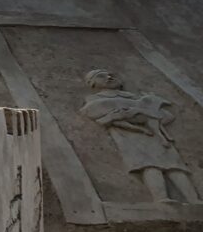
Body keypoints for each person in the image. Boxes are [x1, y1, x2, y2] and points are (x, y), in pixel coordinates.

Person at [80, 69, 199, 203]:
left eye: (111, 75)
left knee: (175, 165)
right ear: (92, 83)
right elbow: (98, 115)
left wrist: (149, 116)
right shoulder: (96, 100)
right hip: (131, 138)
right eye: (101, 76)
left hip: (157, 136)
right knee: (149, 165)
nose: (109, 77)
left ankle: (194, 199)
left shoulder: (136, 97)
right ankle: (161, 197)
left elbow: (165, 116)